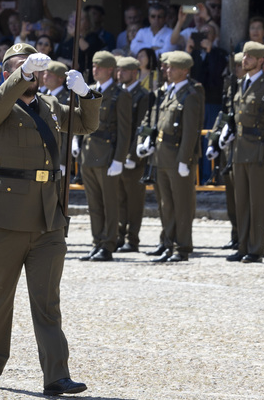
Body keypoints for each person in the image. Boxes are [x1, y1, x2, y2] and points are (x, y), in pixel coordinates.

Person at [0, 44, 99, 396]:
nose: (32, 74)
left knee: (47, 301)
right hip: (6, 216)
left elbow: (87, 125)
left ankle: (56, 375)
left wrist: (86, 94)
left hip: (48, 216)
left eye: (35, 69)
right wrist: (22, 75)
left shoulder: (52, 107)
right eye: (21, 68)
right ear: (7, 74)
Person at [136, 51, 203, 262]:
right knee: (165, 203)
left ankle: (181, 246)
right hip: (161, 156)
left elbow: (191, 131)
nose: (167, 70)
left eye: (172, 67)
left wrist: (184, 159)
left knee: (182, 205)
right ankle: (167, 241)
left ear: (185, 70)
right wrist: (145, 142)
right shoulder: (167, 92)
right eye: (166, 67)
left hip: (177, 158)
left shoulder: (190, 94)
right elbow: (154, 119)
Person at [221, 41, 264, 263]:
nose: (244, 60)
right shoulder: (240, 84)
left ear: (261, 61)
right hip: (239, 149)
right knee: (242, 202)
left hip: (259, 150)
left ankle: (256, 249)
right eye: (244, 56)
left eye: (250, 57)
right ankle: (243, 245)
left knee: (257, 203)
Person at [76, 51, 132, 262]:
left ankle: (108, 244)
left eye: (99, 66)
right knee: (94, 203)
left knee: (110, 203)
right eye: (93, 65)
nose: (94, 69)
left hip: (107, 155)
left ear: (110, 69)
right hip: (89, 154)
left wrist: (119, 158)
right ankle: (97, 241)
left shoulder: (120, 95)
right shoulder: (89, 91)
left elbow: (125, 130)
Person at [114, 56, 151, 252]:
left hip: (133, 156)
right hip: (118, 155)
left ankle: (133, 239)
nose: (119, 74)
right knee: (119, 198)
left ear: (135, 72)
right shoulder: (117, 93)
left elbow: (140, 127)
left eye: (124, 71)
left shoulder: (143, 95)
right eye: (118, 70)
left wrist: (133, 156)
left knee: (134, 201)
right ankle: (119, 235)